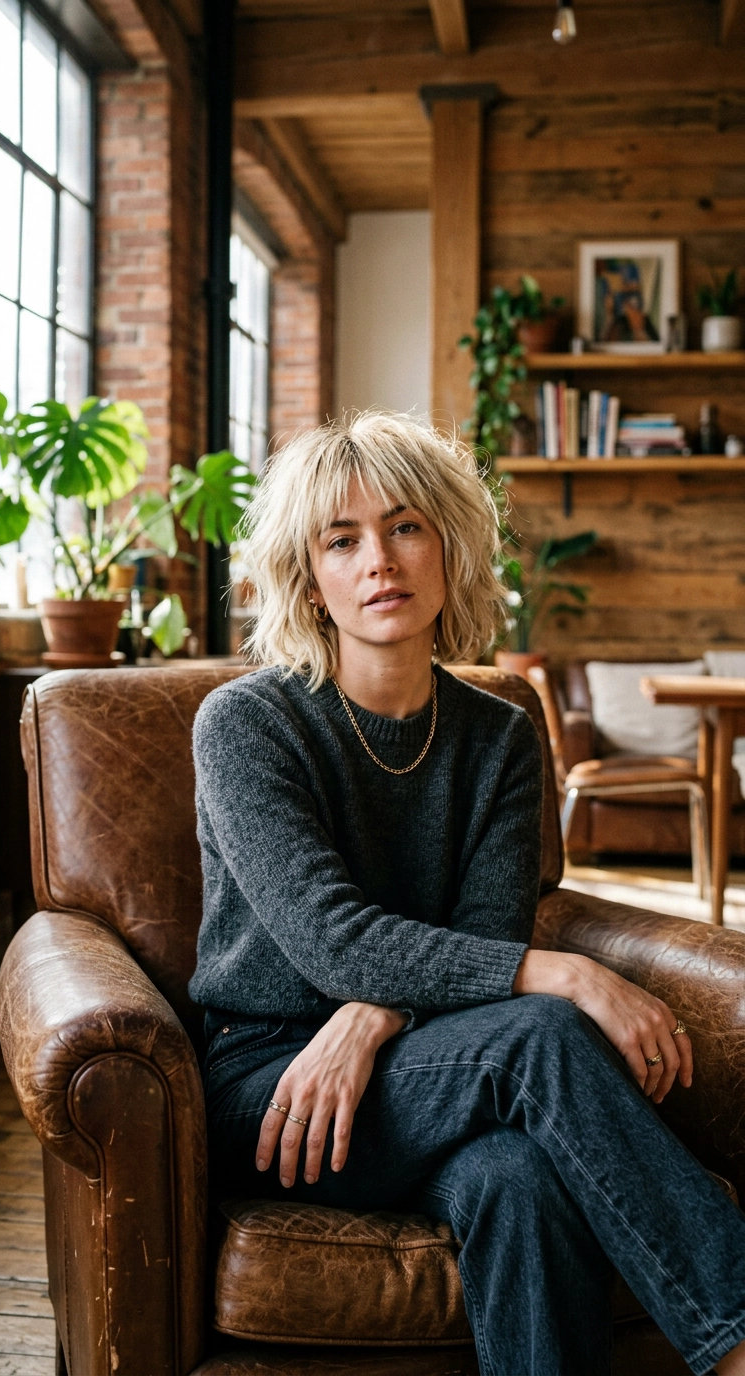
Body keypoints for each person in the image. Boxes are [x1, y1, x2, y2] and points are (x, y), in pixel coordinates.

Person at [189, 412, 745, 1376]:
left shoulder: (497, 733)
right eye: (341, 539)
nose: (379, 561)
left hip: (423, 1058)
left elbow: (482, 933)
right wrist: (561, 973)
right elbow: (332, 940)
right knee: (542, 1031)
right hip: (275, 1085)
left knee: (518, 1175)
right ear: (308, 577)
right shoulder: (246, 724)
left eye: (406, 527)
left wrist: (372, 1019)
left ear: (450, 544)